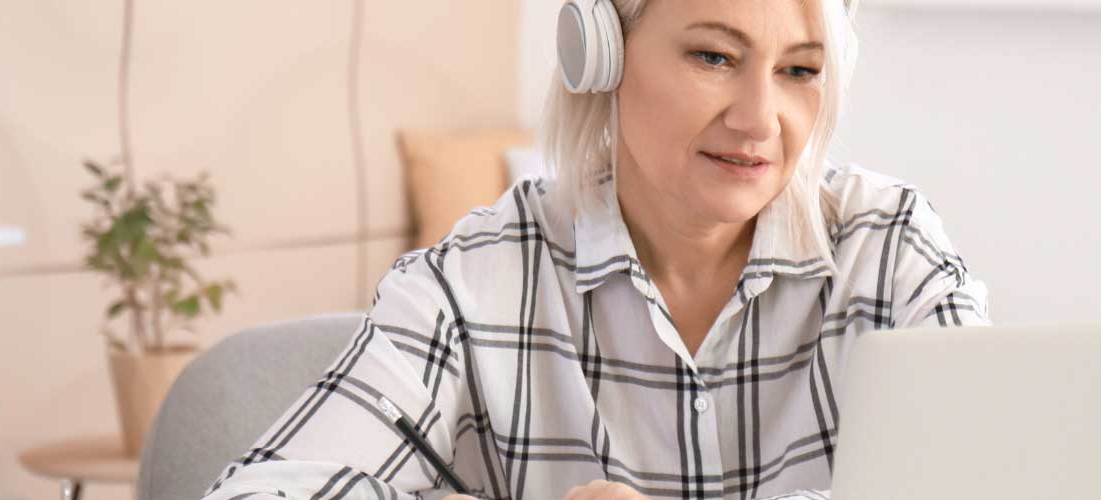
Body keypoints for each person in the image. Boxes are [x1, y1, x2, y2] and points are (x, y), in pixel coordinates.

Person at [201, 0, 989, 498]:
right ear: (599, 52)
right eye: (713, 56)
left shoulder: (888, 254)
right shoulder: (476, 279)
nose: (760, 120)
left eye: (799, 70)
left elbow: (994, 478)